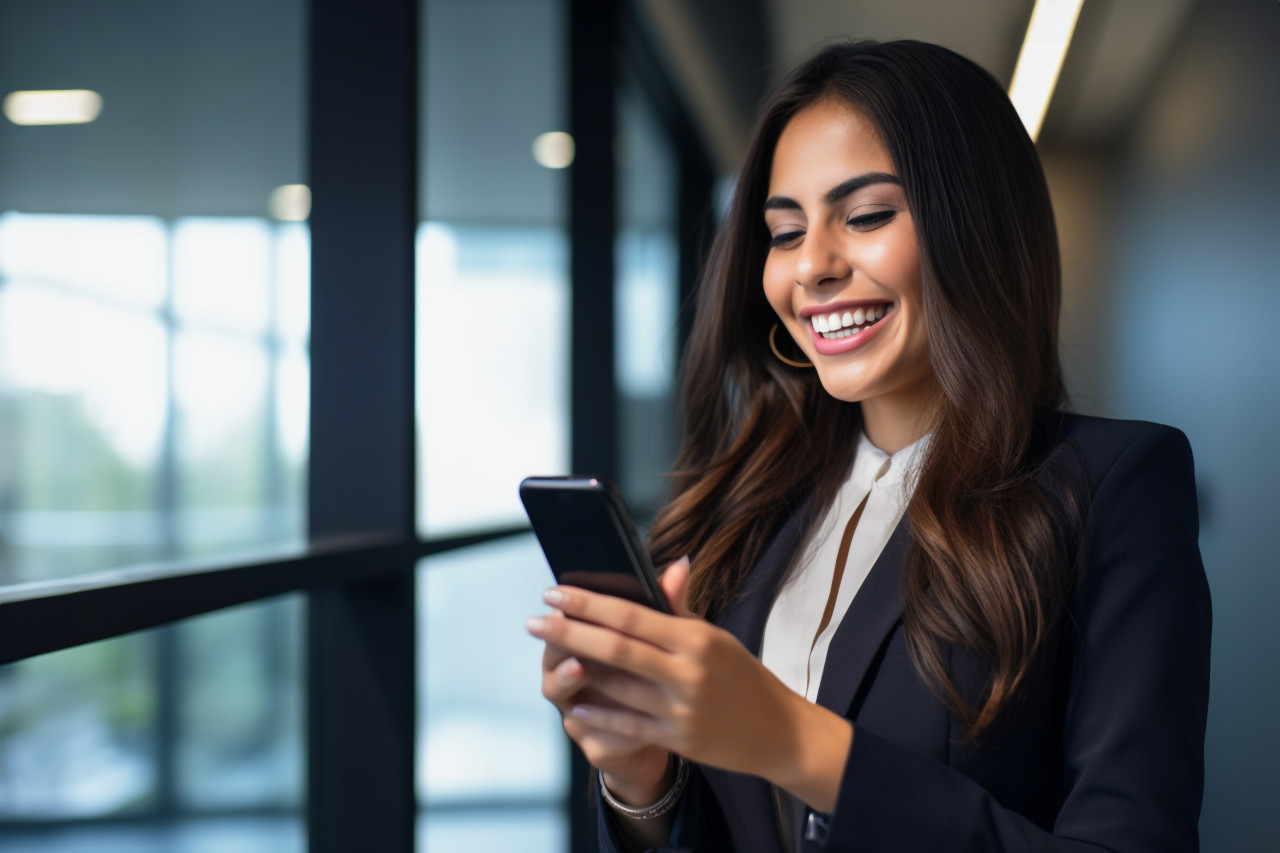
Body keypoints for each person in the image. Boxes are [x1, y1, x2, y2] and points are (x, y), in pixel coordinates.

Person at [526, 39, 1211, 852]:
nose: (811, 266)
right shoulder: (740, 509)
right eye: (785, 232)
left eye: (866, 216)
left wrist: (791, 739)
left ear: (976, 227)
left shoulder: (1109, 485)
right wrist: (641, 780)